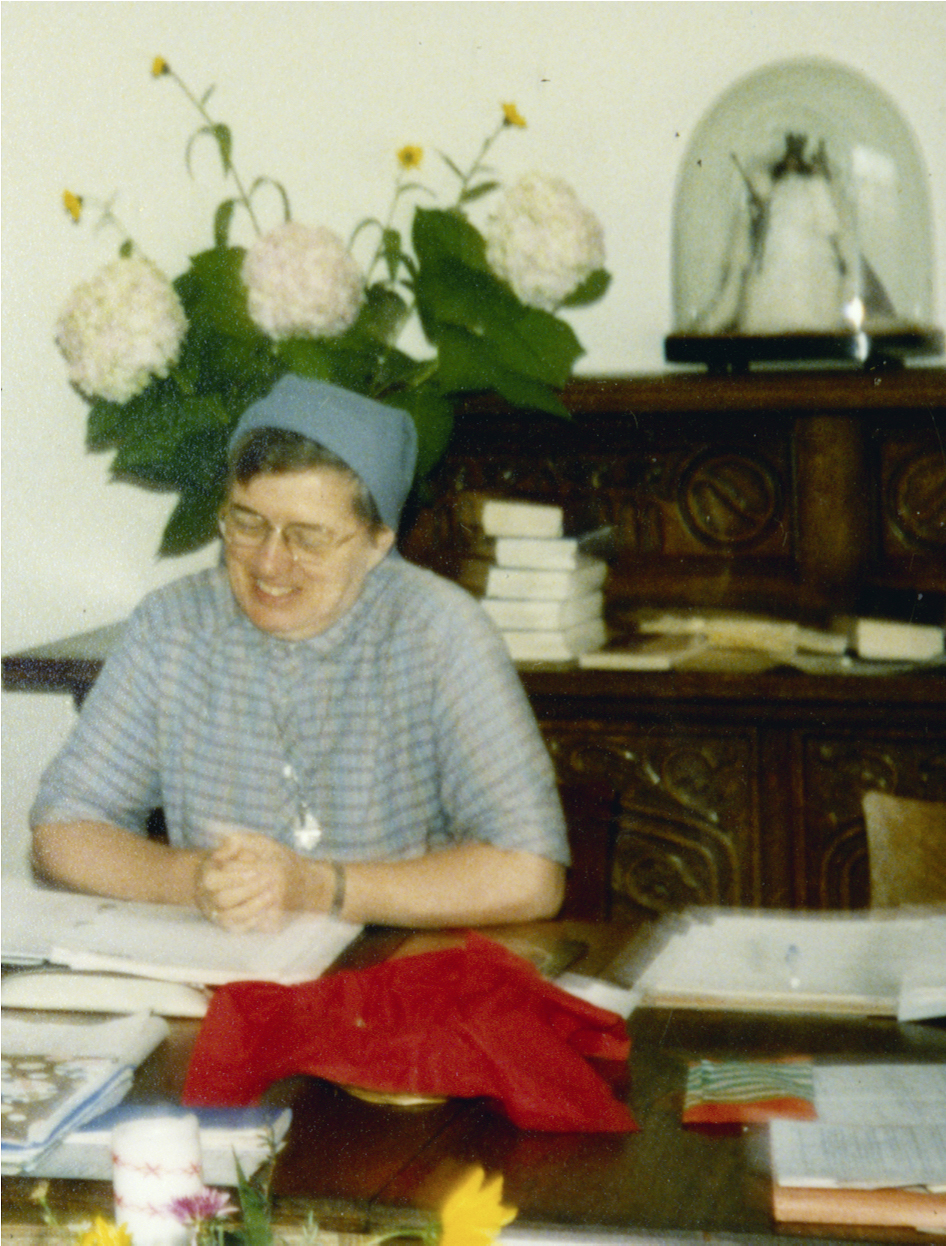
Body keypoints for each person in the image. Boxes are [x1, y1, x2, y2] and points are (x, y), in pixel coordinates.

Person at [30, 376, 569, 931]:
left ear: (378, 542)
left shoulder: (440, 629)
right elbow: (63, 828)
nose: (269, 562)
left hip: (390, 956)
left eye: (308, 537)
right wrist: (195, 881)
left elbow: (530, 873)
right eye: (247, 523)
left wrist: (315, 888)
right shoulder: (173, 625)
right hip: (221, 958)